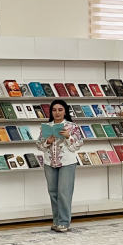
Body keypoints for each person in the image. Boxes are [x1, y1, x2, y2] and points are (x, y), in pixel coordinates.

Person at [37, 99, 84, 232]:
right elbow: (39, 146)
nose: (57, 113)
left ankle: (64, 222)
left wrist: (69, 137)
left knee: (64, 192)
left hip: (67, 162)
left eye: (60, 110)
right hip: (49, 162)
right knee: (53, 192)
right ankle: (57, 221)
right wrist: (47, 141)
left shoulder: (72, 127)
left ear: (65, 111)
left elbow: (77, 145)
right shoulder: (46, 127)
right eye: (54, 110)